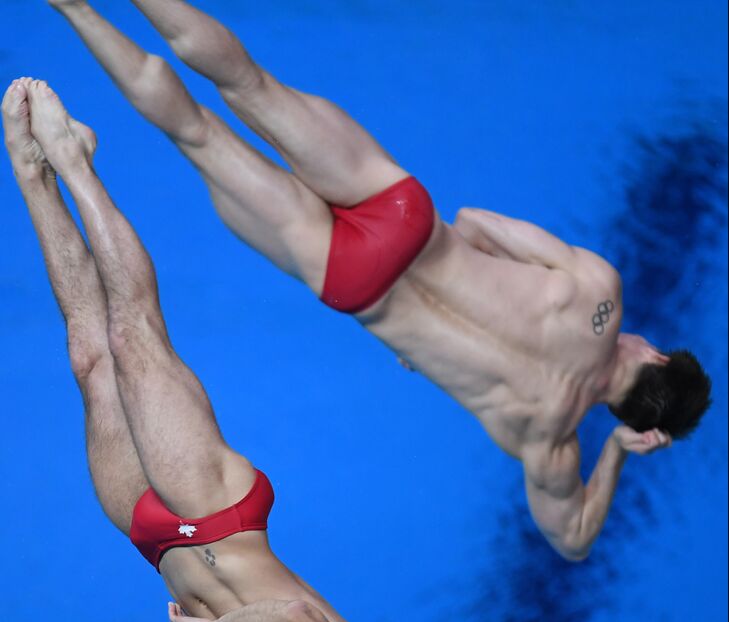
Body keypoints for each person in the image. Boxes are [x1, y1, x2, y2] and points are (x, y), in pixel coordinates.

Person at [47, 0, 713, 561]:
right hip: (357, 283)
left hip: (402, 216)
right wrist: (623, 454)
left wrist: (465, 258)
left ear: (654, 353)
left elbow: (475, 220)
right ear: (637, 420)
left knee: (250, 83)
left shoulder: (597, 289)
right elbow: (570, 541)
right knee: (194, 133)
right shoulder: (545, 439)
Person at [3, 77, 433, 622]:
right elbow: (300, 620)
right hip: (216, 513)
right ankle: (74, 163)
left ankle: (30, 175)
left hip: (158, 542)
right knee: (136, 336)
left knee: (89, 357)